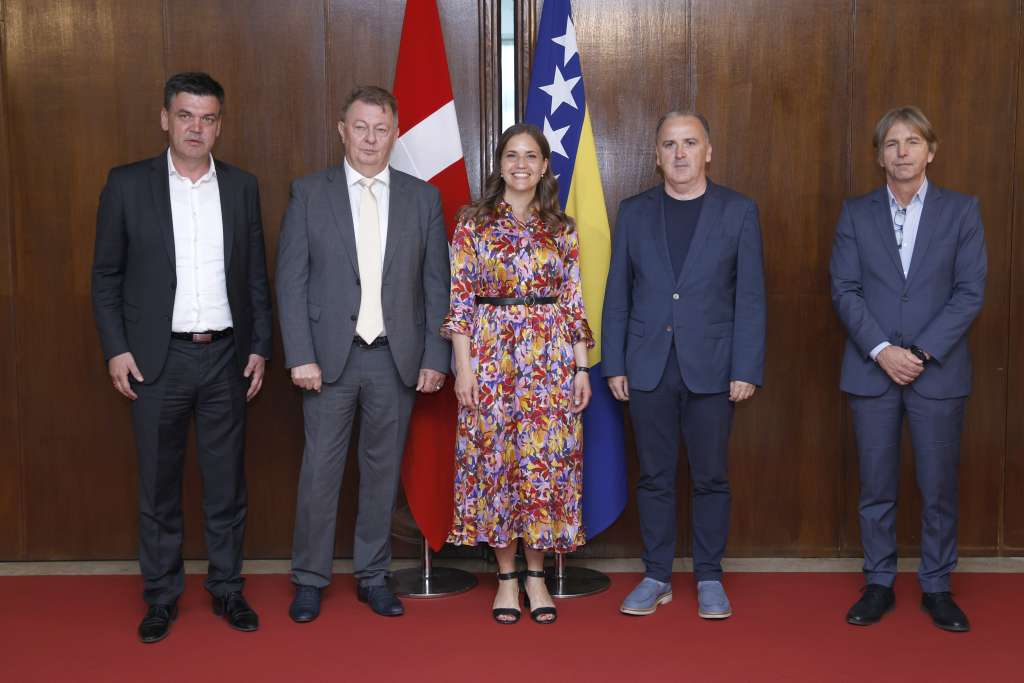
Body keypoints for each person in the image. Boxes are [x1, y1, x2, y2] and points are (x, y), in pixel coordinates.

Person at [91, 72, 272, 643]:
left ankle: (227, 589)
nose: (197, 127)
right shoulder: (127, 185)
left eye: (208, 117)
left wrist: (260, 347)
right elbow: (105, 277)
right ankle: (161, 596)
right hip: (155, 361)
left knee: (227, 485)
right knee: (158, 486)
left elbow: (255, 277)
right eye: (186, 115)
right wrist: (117, 349)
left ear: (220, 125)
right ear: (165, 119)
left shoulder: (241, 187)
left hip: (225, 358)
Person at [277, 85, 450, 622]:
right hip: (328, 361)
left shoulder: (423, 198)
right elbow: (291, 280)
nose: (370, 138)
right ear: (342, 131)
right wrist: (299, 355)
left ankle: (373, 576)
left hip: (394, 360)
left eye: (381, 128)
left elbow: (436, 286)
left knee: (381, 475)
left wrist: (435, 357)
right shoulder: (310, 193)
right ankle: (310, 579)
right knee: (319, 474)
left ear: (395, 134)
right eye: (360, 127)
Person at [602, 111, 765, 619]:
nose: (679, 153)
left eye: (690, 143)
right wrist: (614, 363)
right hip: (647, 366)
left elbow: (751, 297)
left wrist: (746, 368)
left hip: (713, 367)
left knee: (710, 476)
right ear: (656, 155)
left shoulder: (739, 211)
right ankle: (656, 575)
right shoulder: (634, 212)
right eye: (670, 144)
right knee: (654, 476)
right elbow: (617, 294)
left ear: (707, 151)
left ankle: (710, 576)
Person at [830, 106, 986, 632]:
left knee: (938, 486)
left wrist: (919, 353)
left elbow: (969, 293)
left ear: (930, 151)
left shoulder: (961, 211)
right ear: (880, 156)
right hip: (871, 370)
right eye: (892, 143)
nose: (902, 152)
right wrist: (881, 350)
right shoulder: (855, 213)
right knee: (876, 485)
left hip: (936, 373)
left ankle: (937, 586)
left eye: (913, 142)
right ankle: (878, 582)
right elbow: (844, 289)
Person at [443, 123, 593, 625]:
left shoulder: (562, 228)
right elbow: (460, 301)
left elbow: (573, 302)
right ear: (500, 164)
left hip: (550, 361)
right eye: (512, 155)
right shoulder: (473, 223)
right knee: (496, 465)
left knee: (543, 464)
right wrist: (464, 368)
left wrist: (581, 367)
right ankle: (507, 576)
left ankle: (536, 575)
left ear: (545, 165)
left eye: (531, 155)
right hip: (490, 360)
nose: (521, 164)